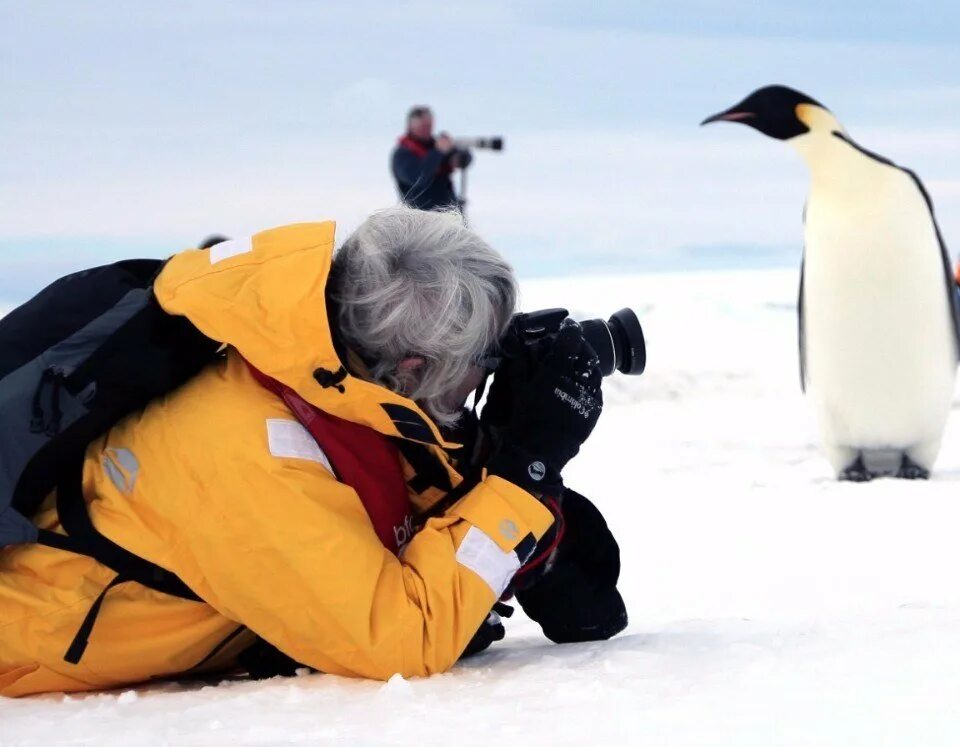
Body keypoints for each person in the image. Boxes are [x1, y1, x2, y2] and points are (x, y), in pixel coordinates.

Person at [0, 207, 623, 696]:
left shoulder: (317, 371)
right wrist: (528, 466)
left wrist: (500, 446)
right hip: (23, 652)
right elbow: (404, 640)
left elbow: (418, 492)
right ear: (412, 366)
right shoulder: (244, 447)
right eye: (482, 360)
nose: (483, 375)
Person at [392, 105, 473, 211]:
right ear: (411, 126)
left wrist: (459, 157)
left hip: (448, 217)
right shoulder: (402, 155)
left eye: (429, 126)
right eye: (423, 127)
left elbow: (460, 159)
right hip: (420, 219)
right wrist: (438, 152)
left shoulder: (435, 147)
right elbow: (417, 178)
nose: (427, 130)